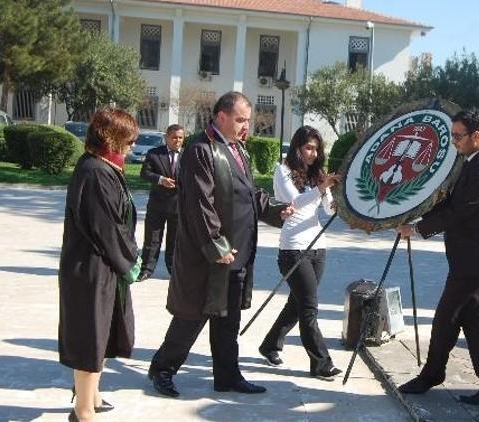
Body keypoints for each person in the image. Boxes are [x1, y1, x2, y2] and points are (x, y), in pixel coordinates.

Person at [148, 91, 278, 398]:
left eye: (248, 120)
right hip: (209, 256)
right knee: (192, 316)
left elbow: (249, 193)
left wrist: (275, 210)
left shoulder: (237, 150)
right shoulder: (200, 149)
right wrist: (217, 246)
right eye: (241, 119)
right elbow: (198, 204)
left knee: (228, 320)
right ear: (221, 116)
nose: (246, 126)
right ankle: (162, 369)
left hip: (238, 254)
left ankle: (228, 375)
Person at [395, 108, 479, 406]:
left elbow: (460, 211)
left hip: (476, 259)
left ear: (478, 135)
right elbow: (449, 201)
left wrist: (417, 228)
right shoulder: (473, 162)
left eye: (458, 136)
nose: (454, 141)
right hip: (471, 258)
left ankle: (432, 374)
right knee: (471, 320)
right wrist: (415, 213)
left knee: (446, 317)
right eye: (451, 135)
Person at [58, 108, 142, 421]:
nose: (132, 145)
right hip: (90, 268)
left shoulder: (105, 167)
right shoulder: (94, 172)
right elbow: (106, 227)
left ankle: (91, 396)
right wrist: (130, 258)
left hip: (104, 266)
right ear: (111, 138)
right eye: (128, 139)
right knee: (89, 339)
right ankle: (82, 412)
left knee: (102, 333)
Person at [258, 126, 343, 380]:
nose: (313, 153)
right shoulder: (283, 171)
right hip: (293, 249)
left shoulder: (317, 174)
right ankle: (321, 363)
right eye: (308, 148)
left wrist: (337, 200)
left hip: (318, 246)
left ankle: (270, 345)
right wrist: (320, 188)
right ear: (297, 147)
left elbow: (327, 210)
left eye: (317, 149)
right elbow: (293, 202)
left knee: (297, 303)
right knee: (309, 306)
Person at [136, 124, 185, 281]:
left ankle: (173, 270)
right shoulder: (154, 154)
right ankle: (146, 270)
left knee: (175, 240)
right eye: (174, 137)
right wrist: (160, 180)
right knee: (152, 239)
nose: (177, 141)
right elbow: (145, 173)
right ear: (166, 138)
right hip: (157, 205)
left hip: (178, 206)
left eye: (180, 138)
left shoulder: (188, 156)